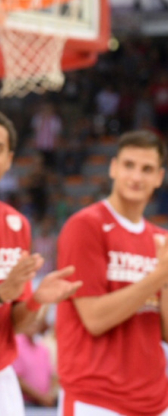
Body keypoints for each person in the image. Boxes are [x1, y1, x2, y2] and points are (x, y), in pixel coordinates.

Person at [0, 109, 80, 416]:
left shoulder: (17, 224)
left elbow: (19, 322)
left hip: (3, 377)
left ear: (10, 159)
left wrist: (38, 300)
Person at [56, 130, 168, 416]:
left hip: (153, 399)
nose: (136, 176)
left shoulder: (160, 240)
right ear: (114, 168)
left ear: (159, 177)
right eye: (129, 165)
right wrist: (159, 276)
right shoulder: (85, 226)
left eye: (147, 169)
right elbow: (95, 318)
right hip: (96, 398)